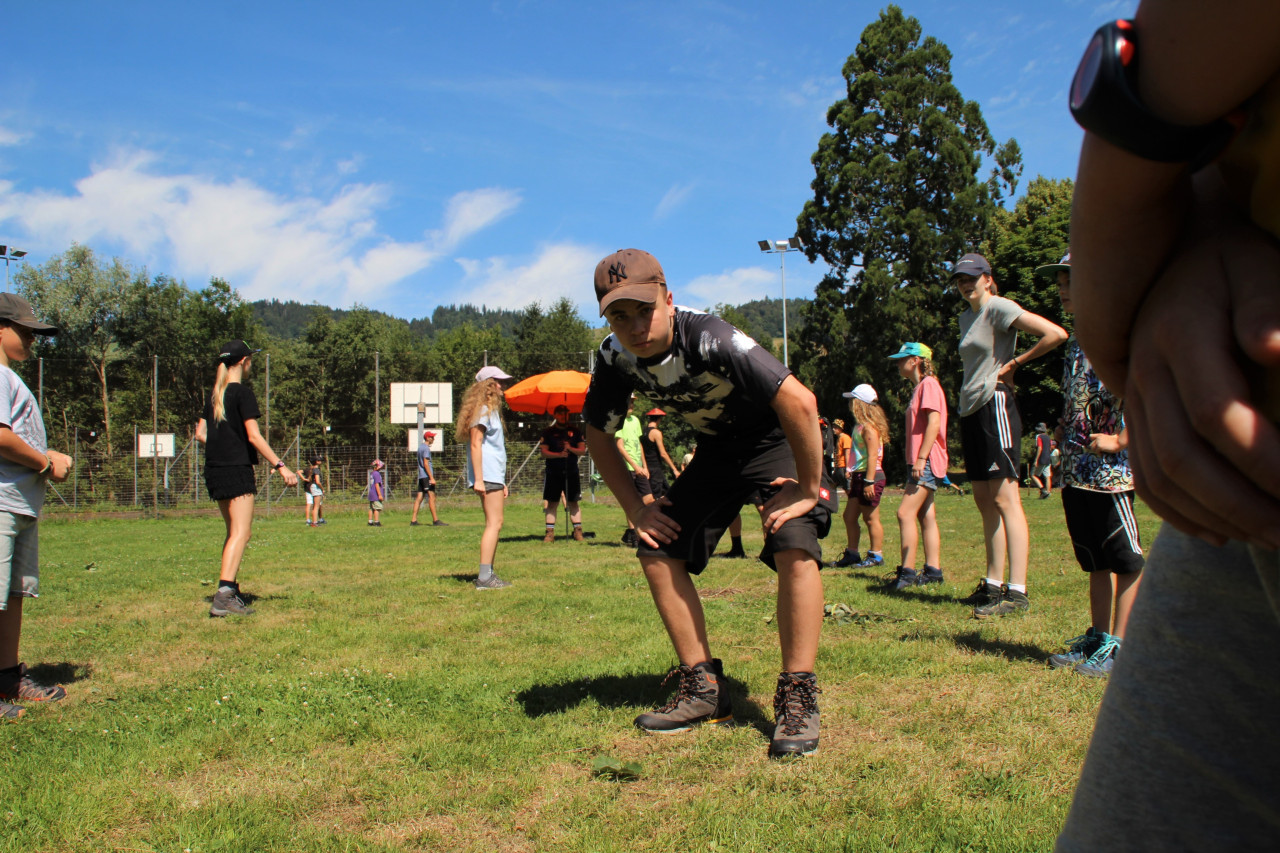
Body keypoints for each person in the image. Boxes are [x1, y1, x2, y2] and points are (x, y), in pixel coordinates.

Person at [1056, 5, 1280, 847]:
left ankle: (1110, 637)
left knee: (1120, 554)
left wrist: (1126, 205)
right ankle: (1100, 634)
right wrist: (1212, 215)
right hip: (1237, 440)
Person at [582, 248, 836, 758]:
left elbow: (800, 401)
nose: (635, 327)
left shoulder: (708, 337)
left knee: (793, 539)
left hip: (777, 439)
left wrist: (809, 489)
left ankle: (798, 695)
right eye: (619, 316)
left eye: (644, 310)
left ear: (668, 300)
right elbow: (597, 433)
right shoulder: (613, 357)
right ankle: (703, 691)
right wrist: (636, 510)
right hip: (718, 449)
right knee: (657, 546)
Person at [1037, 253, 1144, 679]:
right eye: (1061, 281)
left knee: (1124, 559)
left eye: (1071, 280)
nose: (1063, 288)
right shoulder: (1077, 343)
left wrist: (1121, 440)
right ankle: (1099, 638)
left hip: (1111, 474)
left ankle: (1122, 646)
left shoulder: (1119, 338)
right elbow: (1078, 396)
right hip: (1077, 472)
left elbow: (1147, 390)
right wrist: (1063, 428)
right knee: (1094, 559)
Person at [951, 252, 1067, 617]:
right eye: (960, 279)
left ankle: (1017, 592)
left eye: (971, 277)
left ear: (987, 278)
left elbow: (1055, 334)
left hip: (995, 404)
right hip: (970, 410)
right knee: (984, 499)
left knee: (1005, 498)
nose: (965, 284)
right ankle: (992, 584)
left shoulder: (999, 307)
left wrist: (1014, 364)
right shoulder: (966, 317)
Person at [0, 295, 73, 720]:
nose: (32, 339)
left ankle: (7, 675)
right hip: (3, 504)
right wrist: (45, 462)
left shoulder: (10, 377)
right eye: (25, 331)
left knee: (13, 594)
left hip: (20, 506)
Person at [195, 340, 298, 617]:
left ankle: (229, 588)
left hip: (214, 470)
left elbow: (200, 434)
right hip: (237, 470)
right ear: (244, 361)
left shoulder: (215, 394)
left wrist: (224, 442)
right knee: (242, 532)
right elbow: (254, 436)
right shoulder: (242, 393)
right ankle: (224, 596)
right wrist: (281, 466)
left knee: (233, 533)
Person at [887, 342, 949, 589]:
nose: (898, 363)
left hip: (926, 460)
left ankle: (908, 572)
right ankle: (933, 571)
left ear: (916, 360)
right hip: (920, 460)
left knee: (905, 513)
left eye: (902, 358)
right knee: (926, 515)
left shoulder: (929, 385)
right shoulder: (920, 387)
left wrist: (922, 458)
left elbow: (934, 423)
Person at [458, 365, 513, 590]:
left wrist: (501, 481)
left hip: (493, 475)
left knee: (496, 523)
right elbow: (475, 444)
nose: (503, 385)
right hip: (487, 474)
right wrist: (479, 479)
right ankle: (484, 578)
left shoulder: (490, 410)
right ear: (488, 384)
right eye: (499, 381)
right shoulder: (482, 410)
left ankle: (487, 574)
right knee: (494, 523)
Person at [832, 384, 888, 571]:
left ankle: (876, 555)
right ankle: (852, 553)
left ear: (860, 403)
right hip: (859, 476)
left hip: (870, 476)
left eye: (852, 400)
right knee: (849, 516)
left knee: (870, 518)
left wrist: (869, 481)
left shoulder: (870, 428)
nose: (849, 403)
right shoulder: (859, 426)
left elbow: (872, 456)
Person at [539, 405, 586, 542]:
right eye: (559, 414)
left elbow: (582, 451)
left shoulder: (575, 431)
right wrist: (558, 455)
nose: (562, 416)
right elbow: (544, 452)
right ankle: (549, 533)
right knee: (552, 503)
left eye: (565, 413)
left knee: (573, 502)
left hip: (571, 472)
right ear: (555, 415)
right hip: (553, 472)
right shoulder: (548, 432)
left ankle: (578, 531)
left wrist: (570, 448)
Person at [615, 396, 649, 547]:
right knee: (632, 502)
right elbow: (620, 447)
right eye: (629, 401)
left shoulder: (635, 420)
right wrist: (635, 466)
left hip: (640, 467)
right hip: (628, 467)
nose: (631, 404)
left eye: (633, 402)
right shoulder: (618, 421)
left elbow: (639, 444)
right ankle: (634, 535)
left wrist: (644, 466)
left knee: (649, 499)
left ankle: (637, 531)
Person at [641, 408, 682, 499]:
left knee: (663, 493)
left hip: (646, 467)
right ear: (659, 419)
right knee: (658, 496)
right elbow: (663, 454)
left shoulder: (643, 431)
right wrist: (674, 469)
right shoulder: (656, 433)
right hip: (655, 469)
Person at [411, 430, 446, 527]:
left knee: (419, 498)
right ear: (427, 438)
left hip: (421, 476)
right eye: (432, 437)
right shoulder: (426, 448)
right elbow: (426, 464)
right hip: (426, 476)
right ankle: (435, 520)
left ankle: (413, 520)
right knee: (432, 497)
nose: (433, 439)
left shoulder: (420, 447)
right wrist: (431, 477)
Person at [1030, 423, 1053, 499]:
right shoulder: (1048, 437)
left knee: (1033, 475)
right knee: (1047, 476)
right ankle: (1048, 492)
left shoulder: (1038, 437)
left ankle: (1043, 490)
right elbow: (1050, 448)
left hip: (1041, 458)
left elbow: (1040, 448)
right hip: (1048, 458)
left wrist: (1036, 460)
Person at [831, 419, 853, 492]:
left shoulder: (845, 438)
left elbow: (847, 454)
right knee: (831, 485)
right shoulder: (839, 438)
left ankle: (852, 499)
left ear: (840, 428)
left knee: (847, 488)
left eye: (835, 427)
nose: (833, 429)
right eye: (833, 427)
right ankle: (833, 499)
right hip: (838, 467)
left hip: (843, 467)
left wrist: (848, 469)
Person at [304, 455, 325, 527]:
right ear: (316, 462)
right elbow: (318, 482)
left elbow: (310, 479)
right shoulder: (316, 470)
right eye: (319, 460)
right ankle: (315, 522)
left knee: (315, 506)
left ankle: (314, 522)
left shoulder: (312, 469)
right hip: (316, 487)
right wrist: (322, 489)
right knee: (316, 506)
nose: (320, 461)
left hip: (313, 487)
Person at [367, 459, 385, 526]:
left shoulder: (372, 473)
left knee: (371, 508)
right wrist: (379, 494)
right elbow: (377, 484)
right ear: (376, 466)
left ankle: (370, 521)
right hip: (376, 494)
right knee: (377, 508)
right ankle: (377, 522)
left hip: (371, 493)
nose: (381, 468)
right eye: (380, 466)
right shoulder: (377, 474)